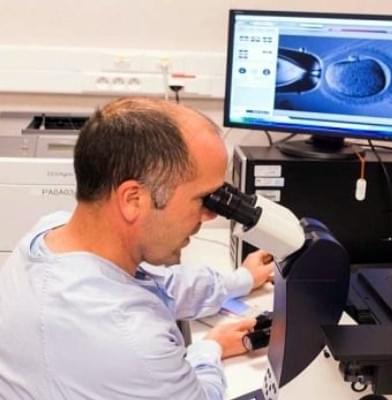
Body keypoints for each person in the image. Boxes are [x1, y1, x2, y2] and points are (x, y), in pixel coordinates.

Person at [0, 98, 274, 399]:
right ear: (133, 199)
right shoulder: (131, 340)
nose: (210, 215)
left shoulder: (53, 232)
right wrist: (210, 349)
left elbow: (160, 285)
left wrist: (242, 280)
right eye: (203, 199)